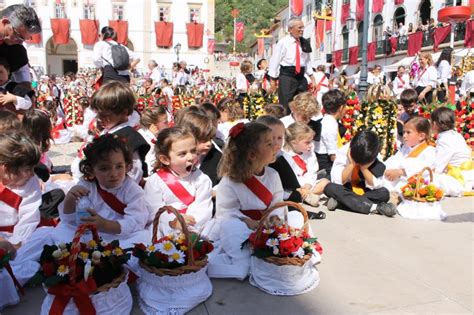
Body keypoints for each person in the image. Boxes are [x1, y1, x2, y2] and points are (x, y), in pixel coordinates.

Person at [208, 122, 305, 279]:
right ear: (252, 155)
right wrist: (247, 221)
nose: (276, 146)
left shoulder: (273, 175)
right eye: (269, 143)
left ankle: (269, 254)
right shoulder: (229, 181)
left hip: (267, 225)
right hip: (242, 227)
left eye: (275, 141)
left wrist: (274, 218)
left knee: (297, 217)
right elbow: (225, 213)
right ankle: (238, 265)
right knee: (231, 228)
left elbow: (277, 203)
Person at [57, 134, 149, 247]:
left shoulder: (132, 190)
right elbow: (69, 220)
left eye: (119, 166)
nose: (113, 174)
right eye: (104, 168)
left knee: (143, 238)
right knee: (59, 234)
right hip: (89, 234)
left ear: (127, 165)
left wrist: (105, 225)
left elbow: (136, 222)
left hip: (120, 237)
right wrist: (70, 199)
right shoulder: (86, 186)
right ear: (91, 170)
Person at [144, 127, 213, 236]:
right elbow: (154, 210)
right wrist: (173, 222)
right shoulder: (154, 182)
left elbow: (203, 208)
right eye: (182, 154)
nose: (190, 157)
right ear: (165, 159)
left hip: (195, 228)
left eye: (193, 151)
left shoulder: (202, 179)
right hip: (165, 229)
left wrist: (189, 226)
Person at [323, 130, 397, 217]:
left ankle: (342, 203)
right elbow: (337, 181)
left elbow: (377, 184)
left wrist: (364, 168)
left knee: (384, 193)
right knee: (330, 188)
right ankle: (375, 207)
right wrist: (352, 164)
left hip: (364, 191)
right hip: (347, 188)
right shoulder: (343, 152)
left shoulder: (373, 153)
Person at [0, 132, 42, 247]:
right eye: (28, 169)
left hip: (16, 237)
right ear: (7, 168)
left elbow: (29, 218)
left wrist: (16, 242)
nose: (32, 174)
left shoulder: (30, 183)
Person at [268, 17, 316, 113]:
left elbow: (307, 61)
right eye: (299, 28)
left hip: (301, 76)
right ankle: (286, 124)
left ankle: (302, 125)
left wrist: (312, 78)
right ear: (290, 29)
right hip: (287, 75)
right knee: (286, 103)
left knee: (304, 102)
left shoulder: (304, 42)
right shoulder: (283, 42)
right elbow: (274, 61)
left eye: (303, 27)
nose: (302, 30)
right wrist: (272, 81)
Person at [282, 122, 329, 207]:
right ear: (294, 143)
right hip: (295, 186)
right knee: (286, 191)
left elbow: (312, 171)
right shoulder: (285, 155)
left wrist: (308, 186)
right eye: (307, 142)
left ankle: (307, 196)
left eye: (311, 142)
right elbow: (291, 177)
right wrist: (302, 188)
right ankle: (307, 197)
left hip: (308, 185)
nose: (311, 145)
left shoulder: (310, 153)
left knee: (325, 182)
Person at [383, 117, 435, 193]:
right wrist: (384, 169)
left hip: (416, 184)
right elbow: (395, 159)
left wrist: (401, 172)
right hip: (397, 180)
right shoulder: (405, 148)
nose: (404, 135)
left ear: (421, 136)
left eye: (408, 132)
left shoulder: (429, 151)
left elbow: (424, 169)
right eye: (404, 132)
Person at [431, 107, 473, 197]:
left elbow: (438, 167)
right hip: (467, 175)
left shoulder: (445, 140)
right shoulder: (455, 134)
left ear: (434, 124)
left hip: (459, 179)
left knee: (429, 177)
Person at [0, 4, 41, 87]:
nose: (20, 42)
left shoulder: (17, 50)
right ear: (5, 22)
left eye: (24, 39)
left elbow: (24, 79)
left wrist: (26, 95)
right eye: (18, 37)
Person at [315, 89, 347, 175]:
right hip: (325, 163)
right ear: (341, 108)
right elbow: (333, 155)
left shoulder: (328, 120)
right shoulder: (330, 124)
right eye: (345, 106)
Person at [138, 106, 169, 176]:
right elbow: (148, 161)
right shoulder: (144, 138)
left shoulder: (156, 135)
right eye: (165, 122)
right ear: (154, 125)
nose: (168, 124)